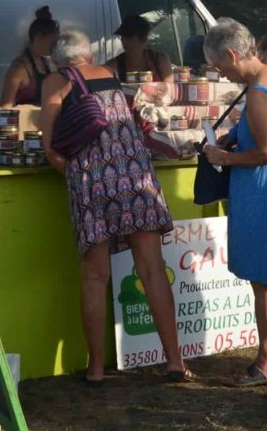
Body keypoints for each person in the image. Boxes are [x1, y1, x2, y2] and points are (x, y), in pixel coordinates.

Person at [38, 30, 191, 384]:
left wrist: (77, 175)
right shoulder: (111, 75)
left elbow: (49, 148)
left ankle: (95, 369)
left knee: (95, 276)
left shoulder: (56, 81)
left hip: (94, 182)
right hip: (136, 176)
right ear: (87, 56)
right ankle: (175, 361)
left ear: (57, 60)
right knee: (152, 269)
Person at [202, 18, 267, 386]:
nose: (222, 73)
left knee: (265, 280)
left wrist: (225, 159)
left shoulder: (258, 93)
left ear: (233, 54)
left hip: (265, 189)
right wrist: (237, 136)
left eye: (220, 65)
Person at [0, 6, 59, 106]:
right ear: (38, 37)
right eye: (52, 42)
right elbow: (4, 107)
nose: (55, 46)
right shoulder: (19, 68)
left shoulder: (48, 63)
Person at [106, 15, 173, 81]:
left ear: (144, 39)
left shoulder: (160, 61)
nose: (124, 41)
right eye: (122, 37)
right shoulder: (114, 65)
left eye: (129, 37)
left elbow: (170, 89)